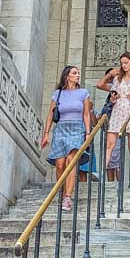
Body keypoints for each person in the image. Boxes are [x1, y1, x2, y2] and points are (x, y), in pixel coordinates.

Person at [40, 65, 92, 212]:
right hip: (61, 129)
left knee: (71, 161)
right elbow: (51, 114)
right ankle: (61, 192)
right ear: (67, 76)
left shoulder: (83, 93)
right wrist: (46, 134)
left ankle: (68, 196)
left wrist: (88, 133)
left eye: (78, 73)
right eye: (74, 73)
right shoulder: (58, 94)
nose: (77, 75)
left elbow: (86, 114)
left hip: (77, 129)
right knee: (60, 163)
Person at [96, 53, 130, 184]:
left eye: (125, 62)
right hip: (118, 110)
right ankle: (102, 172)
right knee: (110, 144)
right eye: (122, 63)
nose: (123, 65)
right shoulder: (118, 78)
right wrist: (114, 97)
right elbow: (112, 92)